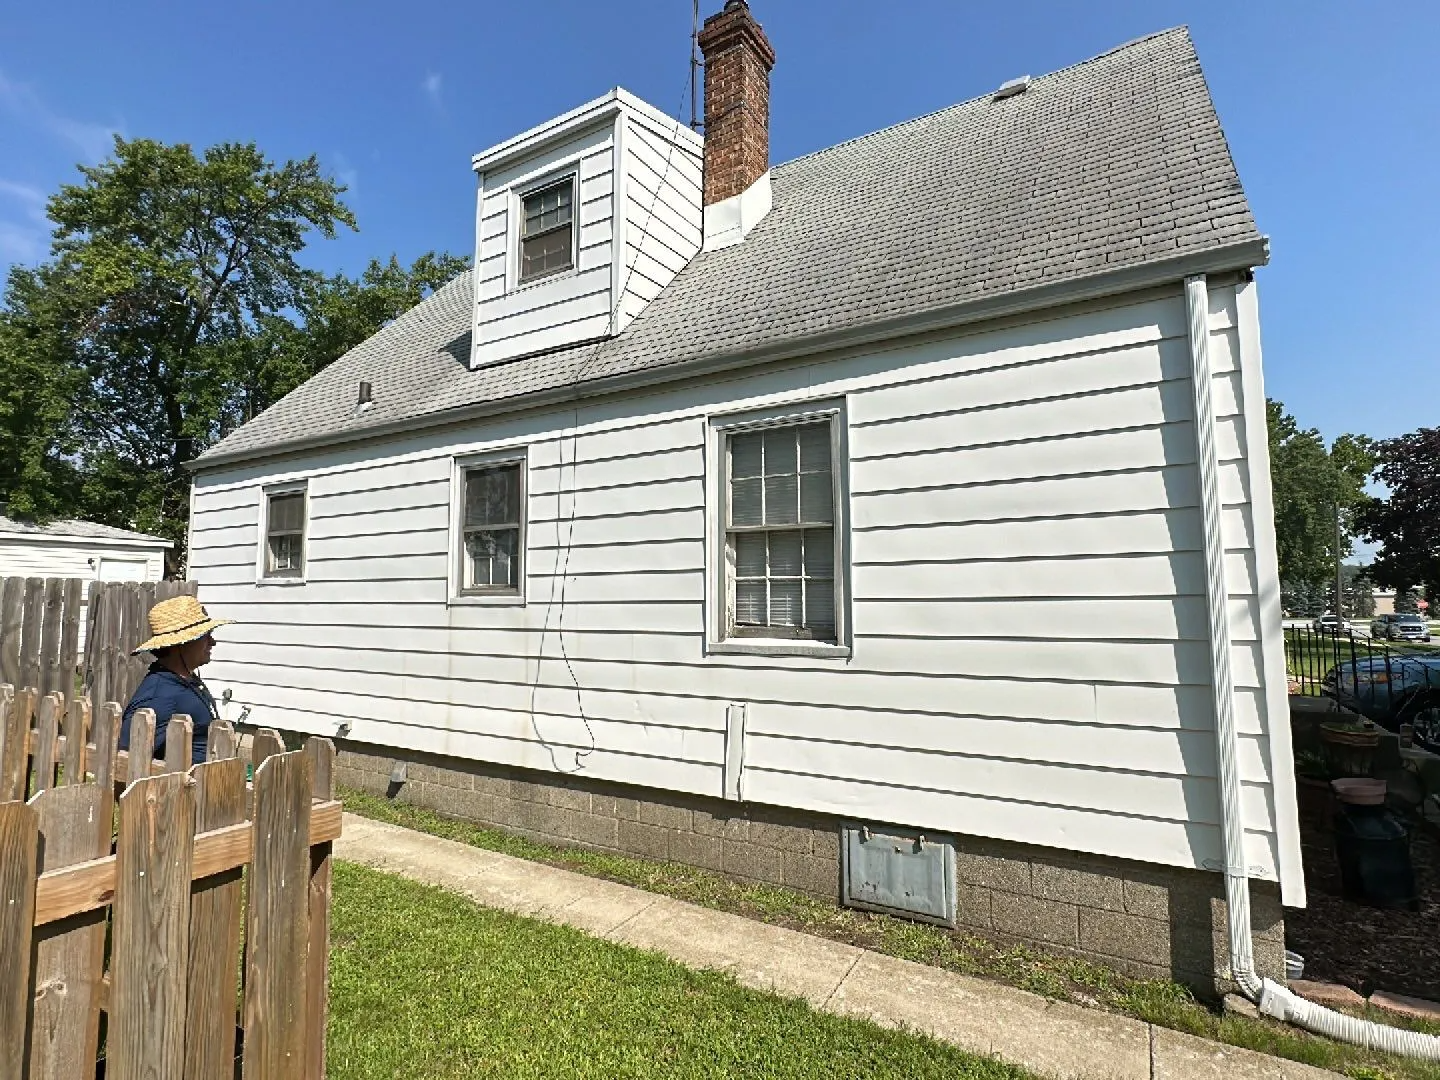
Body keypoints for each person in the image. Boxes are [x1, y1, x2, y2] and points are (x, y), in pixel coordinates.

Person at [119, 594, 233, 765]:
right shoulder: (158, 696)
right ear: (181, 643)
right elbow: (127, 760)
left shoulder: (186, 680)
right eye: (205, 635)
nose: (213, 642)